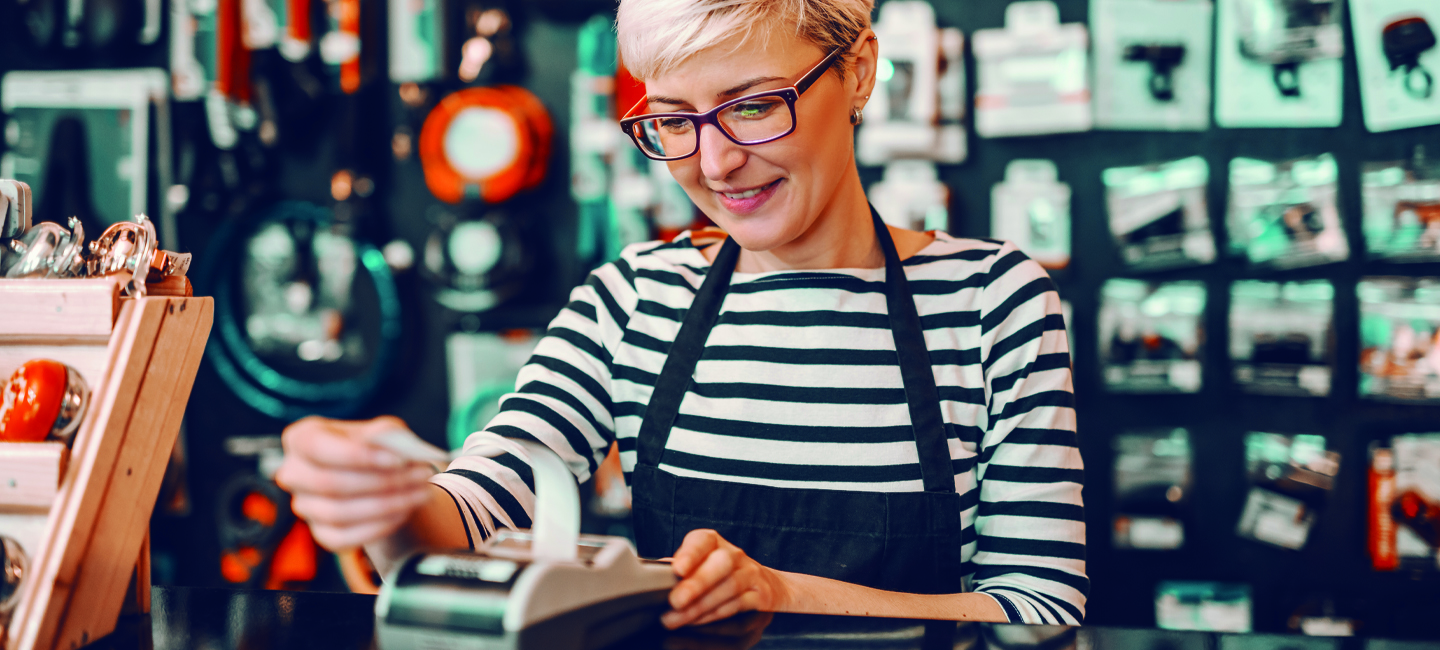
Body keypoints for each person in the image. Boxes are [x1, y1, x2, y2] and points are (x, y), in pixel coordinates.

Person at [275, 0, 1086, 629]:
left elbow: (1041, 611)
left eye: (753, 105)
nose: (715, 162)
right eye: (672, 119)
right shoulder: (633, 299)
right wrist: (387, 508)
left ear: (860, 70)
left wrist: (779, 594)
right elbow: (479, 509)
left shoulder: (992, 301)